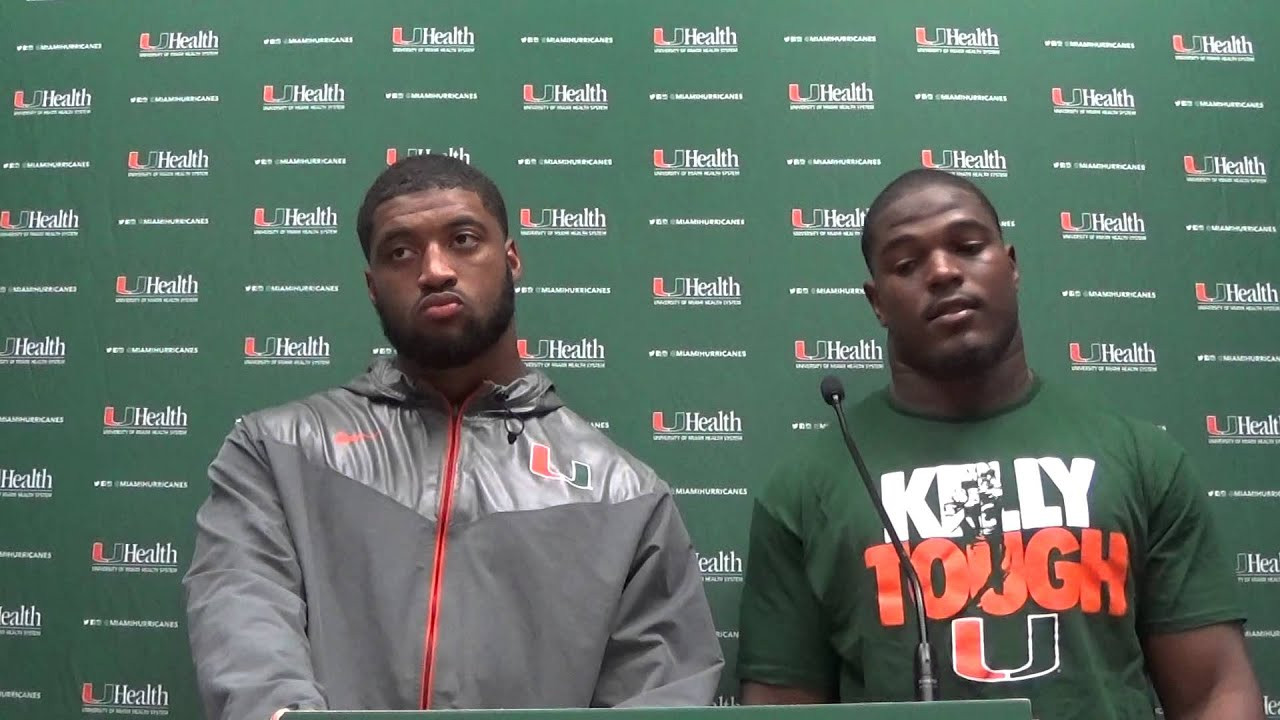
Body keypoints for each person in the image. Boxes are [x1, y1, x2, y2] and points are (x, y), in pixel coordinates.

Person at [183, 154, 723, 720]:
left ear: (512, 260)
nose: (435, 269)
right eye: (401, 251)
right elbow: (244, 626)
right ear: (372, 287)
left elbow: (661, 693)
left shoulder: (624, 496)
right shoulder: (278, 451)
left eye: (463, 240)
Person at [736, 168, 1263, 719]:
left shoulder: (1139, 457)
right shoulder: (806, 488)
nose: (942, 272)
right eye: (907, 264)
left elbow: (1214, 690)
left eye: (967, 246)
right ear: (877, 303)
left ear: (1010, 266)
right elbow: (781, 707)